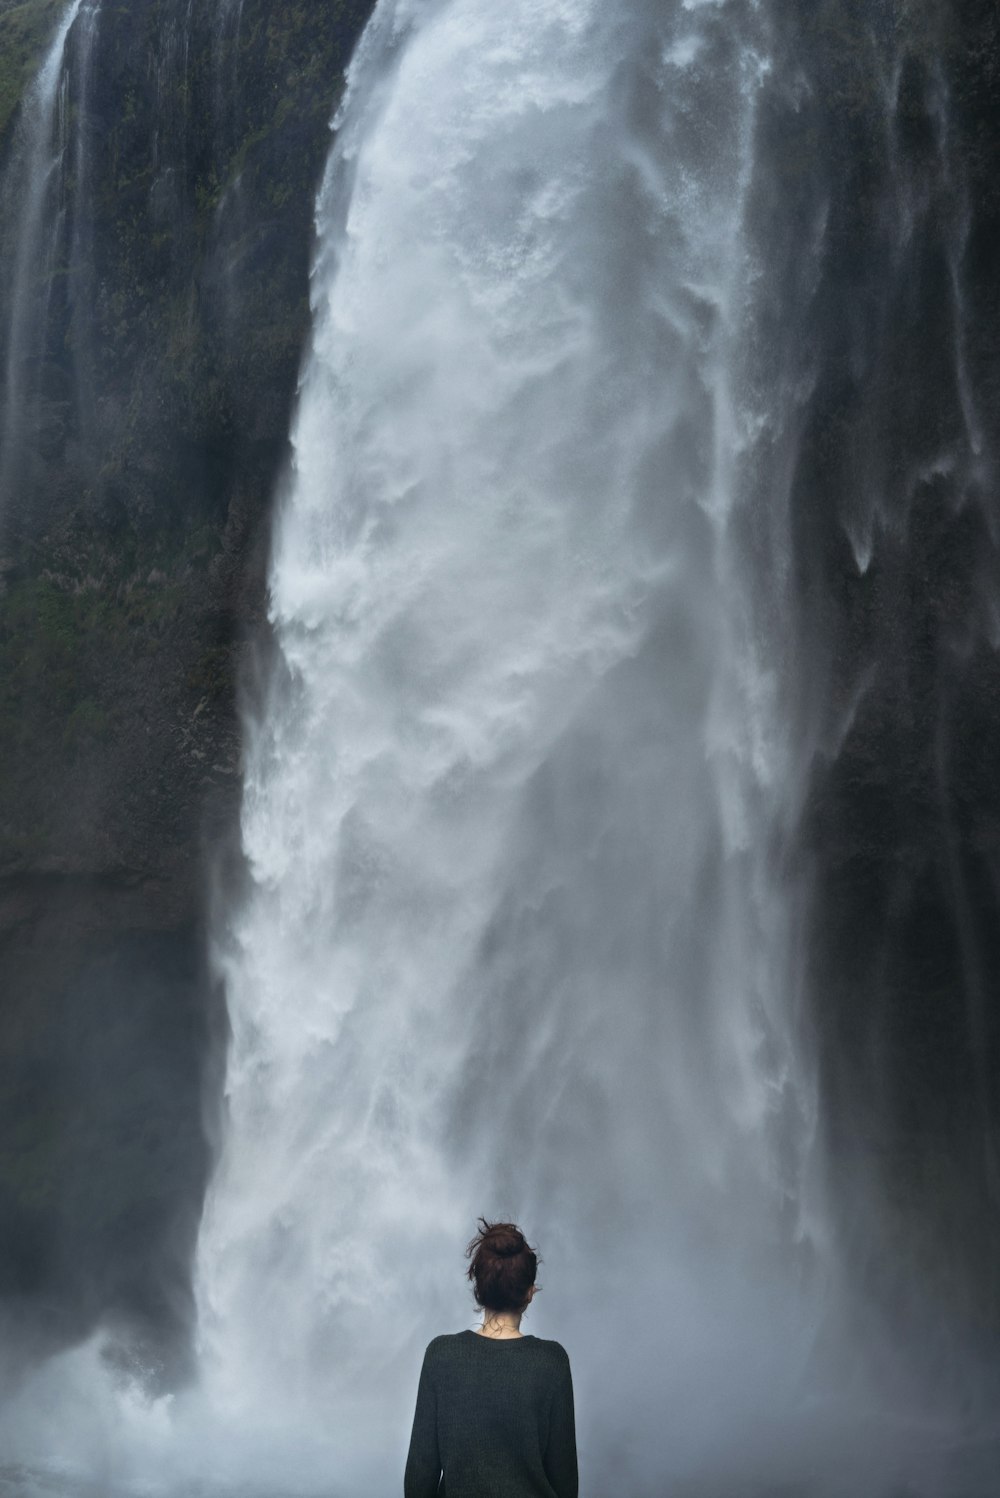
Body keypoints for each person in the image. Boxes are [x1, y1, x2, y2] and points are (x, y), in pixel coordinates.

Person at [403, 1218, 579, 1498]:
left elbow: (419, 1480)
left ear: (478, 1286)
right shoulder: (552, 1362)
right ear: (530, 1292)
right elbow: (565, 1483)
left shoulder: (441, 1356)